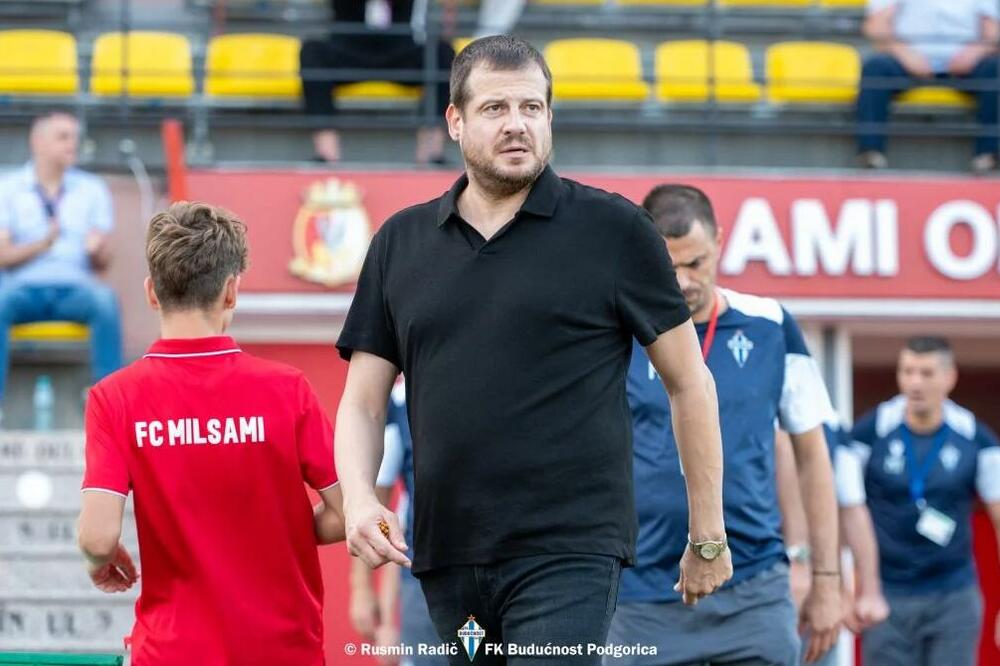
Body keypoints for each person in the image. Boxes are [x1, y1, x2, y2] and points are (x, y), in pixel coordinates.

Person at [335, 35, 731, 666]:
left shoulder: (615, 230)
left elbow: (691, 382)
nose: (516, 124)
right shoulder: (399, 243)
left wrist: (707, 535)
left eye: (532, 107)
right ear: (455, 121)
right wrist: (359, 497)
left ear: (549, 116)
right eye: (495, 108)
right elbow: (362, 402)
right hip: (449, 554)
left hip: (570, 550)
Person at [76, 201, 345, 665]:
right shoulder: (288, 389)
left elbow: (97, 538)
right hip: (283, 650)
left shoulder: (114, 398)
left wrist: (100, 560)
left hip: (171, 652)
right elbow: (348, 513)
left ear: (152, 292)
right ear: (231, 291)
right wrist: (272, 528)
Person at [608, 184, 842, 666]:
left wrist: (825, 579)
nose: (683, 282)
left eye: (695, 263)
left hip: (753, 591)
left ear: (719, 240)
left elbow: (812, 456)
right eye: (668, 266)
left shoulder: (770, 324)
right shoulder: (615, 332)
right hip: (639, 597)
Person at [848, 336, 1000, 666]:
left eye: (927, 373)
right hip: (887, 595)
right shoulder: (870, 433)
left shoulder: (976, 438)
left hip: (953, 595)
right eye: (907, 371)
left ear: (949, 377)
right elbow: (842, 505)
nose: (915, 383)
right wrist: (850, 586)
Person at [0, 111, 122, 423]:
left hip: (76, 288)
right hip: (21, 288)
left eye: (75, 138)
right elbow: (2, 255)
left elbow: (104, 263)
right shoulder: (8, 187)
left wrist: (98, 251)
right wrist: (42, 244)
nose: (72, 145)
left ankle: (109, 406)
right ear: (38, 142)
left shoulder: (92, 188)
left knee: (106, 301)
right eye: (63, 137)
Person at [350, 380, 448, 665]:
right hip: (426, 582)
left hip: (508, 566)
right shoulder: (399, 401)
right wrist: (362, 589)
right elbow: (377, 506)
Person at [776, 423, 890, 666]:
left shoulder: (830, 426)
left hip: (804, 576)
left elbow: (851, 508)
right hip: (755, 574)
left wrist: (853, 588)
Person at [300, 0, 455, 164]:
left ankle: (430, 153)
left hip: (399, 51)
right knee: (311, 51)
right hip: (349, 49)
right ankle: (326, 154)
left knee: (442, 52)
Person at [857, 0, 1000, 172]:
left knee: (995, 69)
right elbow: (876, 25)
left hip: (966, 63)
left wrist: (974, 53)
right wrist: (906, 54)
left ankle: (989, 156)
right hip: (907, 60)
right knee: (875, 67)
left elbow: (992, 30)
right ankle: (871, 153)